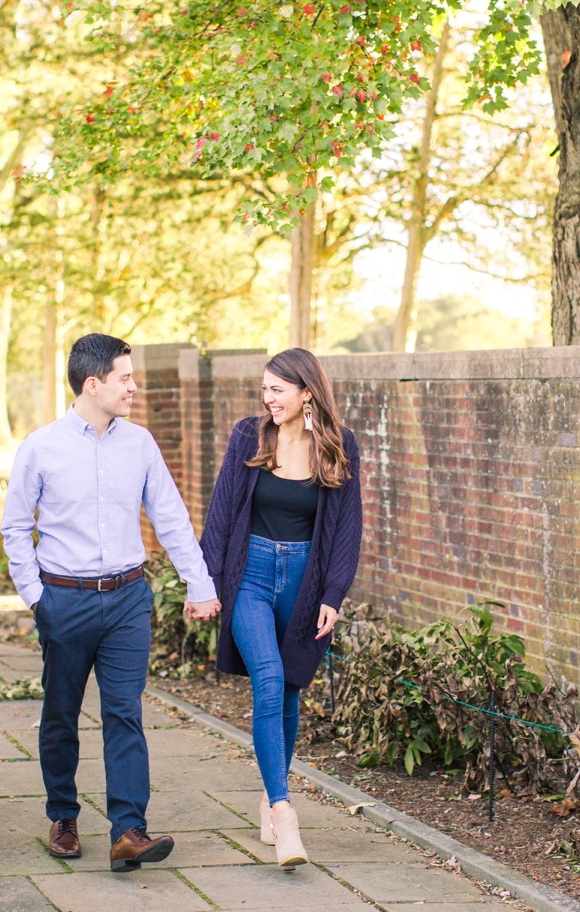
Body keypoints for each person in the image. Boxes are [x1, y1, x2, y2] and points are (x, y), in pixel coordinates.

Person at [0, 333, 221, 872]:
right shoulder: (41, 447)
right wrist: (37, 599)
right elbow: (14, 526)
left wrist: (200, 582)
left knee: (124, 712)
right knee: (60, 715)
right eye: (125, 377)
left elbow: (169, 515)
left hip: (126, 599)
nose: (134, 387)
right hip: (64, 601)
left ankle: (129, 830)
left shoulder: (139, 444)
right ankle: (64, 815)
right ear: (92, 383)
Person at [198, 348, 363, 869]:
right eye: (264, 388)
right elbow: (222, 509)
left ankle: (271, 794)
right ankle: (284, 811)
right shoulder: (250, 436)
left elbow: (347, 530)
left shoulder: (338, 447)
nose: (268, 398)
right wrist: (204, 582)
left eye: (278, 390)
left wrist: (333, 596)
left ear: (306, 392)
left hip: (305, 583)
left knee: (289, 689)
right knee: (268, 680)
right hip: (250, 574)